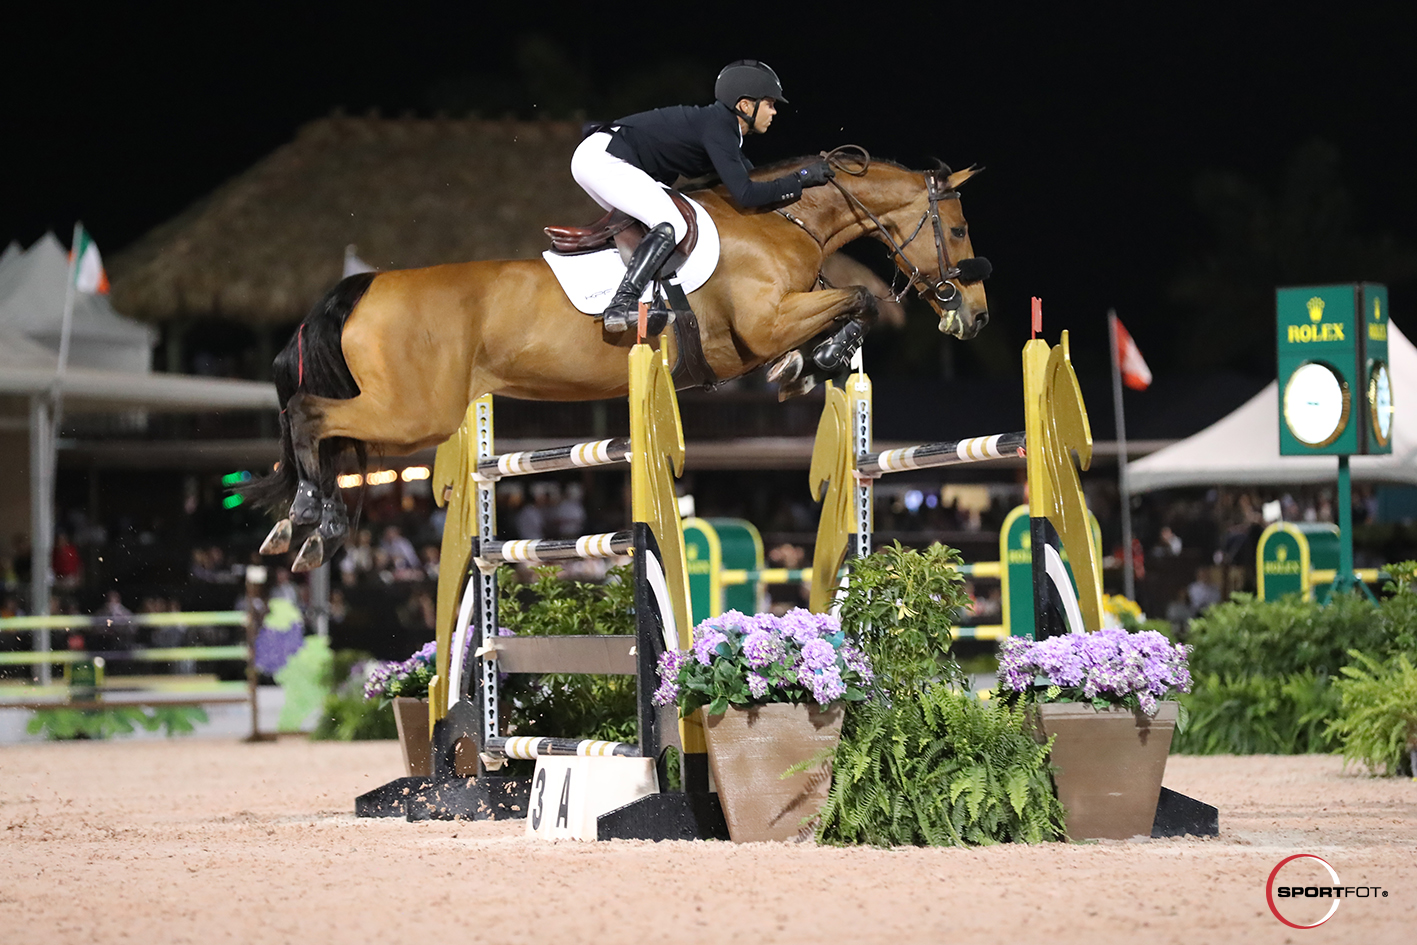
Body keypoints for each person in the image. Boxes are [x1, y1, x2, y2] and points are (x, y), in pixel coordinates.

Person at [570, 60, 835, 332]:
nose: (774, 112)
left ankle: (643, 297)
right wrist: (801, 179)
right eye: (770, 104)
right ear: (745, 106)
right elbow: (746, 194)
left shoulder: (723, 129)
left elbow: (754, 180)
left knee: (659, 221)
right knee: (672, 223)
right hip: (604, 159)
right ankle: (622, 304)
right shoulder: (718, 128)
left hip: (604, 158)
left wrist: (807, 183)